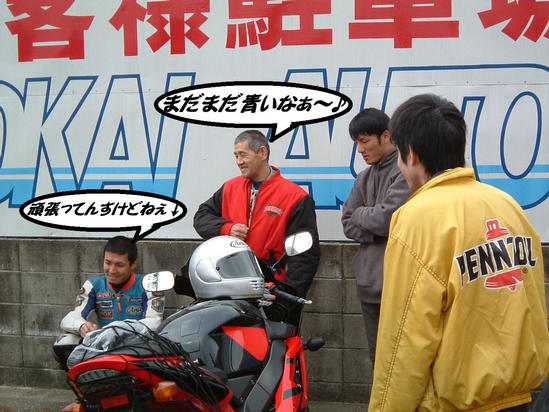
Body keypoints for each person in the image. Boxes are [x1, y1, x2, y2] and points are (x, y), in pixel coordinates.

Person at [369, 94, 549, 412]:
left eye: (398, 155)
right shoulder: (507, 205)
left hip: (455, 403)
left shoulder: (416, 217)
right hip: (518, 396)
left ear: (411, 154)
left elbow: (404, 336)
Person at [192, 129, 320, 320]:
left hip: (272, 293)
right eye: (236, 156)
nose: (239, 162)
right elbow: (201, 218)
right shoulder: (230, 188)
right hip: (229, 289)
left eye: (243, 155)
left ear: (262, 153)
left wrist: (287, 303)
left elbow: (305, 258)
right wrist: (226, 229)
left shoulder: (295, 197)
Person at [341, 108, 411, 368]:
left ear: (386, 136)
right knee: (379, 361)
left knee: (403, 363)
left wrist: (364, 215)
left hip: (400, 287)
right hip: (369, 286)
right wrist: (376, 223)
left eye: (364, 141)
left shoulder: (405, 171)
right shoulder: (364, 177)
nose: (360, 149)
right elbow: (347, 223)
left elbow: (387, 219)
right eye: (356, 143)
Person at [60, 236, 165, 337]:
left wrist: (118, 330)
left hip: (139, 344)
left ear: (133, 264)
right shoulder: (93, 286)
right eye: (108, 263)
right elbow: (69, 319)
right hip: (104, 344)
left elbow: (155, 322)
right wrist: (81, 326)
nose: (112, 270)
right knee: (67, 339)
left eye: (120, 265)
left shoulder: (150, 284)